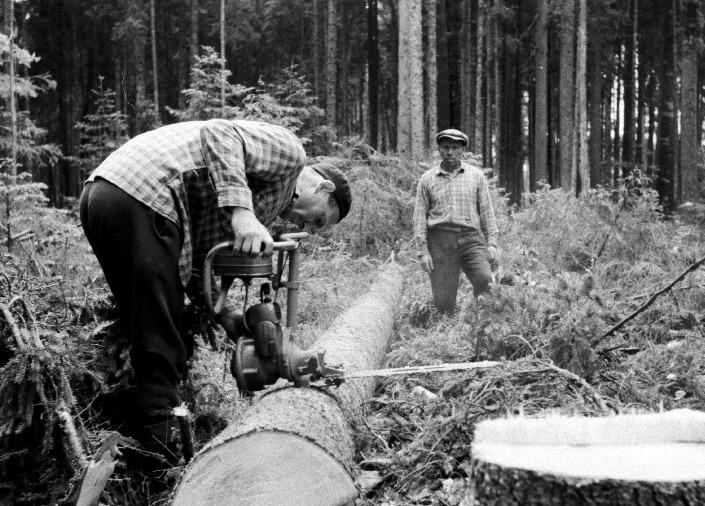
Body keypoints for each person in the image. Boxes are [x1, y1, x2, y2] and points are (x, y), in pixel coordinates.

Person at [80, 119, 351, 460]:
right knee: (160, 333)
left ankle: (135, 439)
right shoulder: (290, 154)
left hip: (106, 194)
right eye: (318, 220)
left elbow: (197, 263)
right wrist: (241, 214)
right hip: (143, 190)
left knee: (149, 320)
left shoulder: (261, 206)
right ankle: (164, 453)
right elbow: (221, 132)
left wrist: (227, 315)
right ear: (323, 188)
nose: (307, 227)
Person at [412, 128, 499, 314]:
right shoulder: (427, 179)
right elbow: (419, 217)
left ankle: (481, 321)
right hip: (440, 242)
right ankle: (447, 332)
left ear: (462, 150)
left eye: (454, 147)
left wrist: (492, 243)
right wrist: (423, 252)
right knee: (443, 300)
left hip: (471, 239)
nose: (449, 152)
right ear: (439, 150)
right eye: (445, 147)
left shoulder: (476, 176)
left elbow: (486, 212)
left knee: (485, 280)